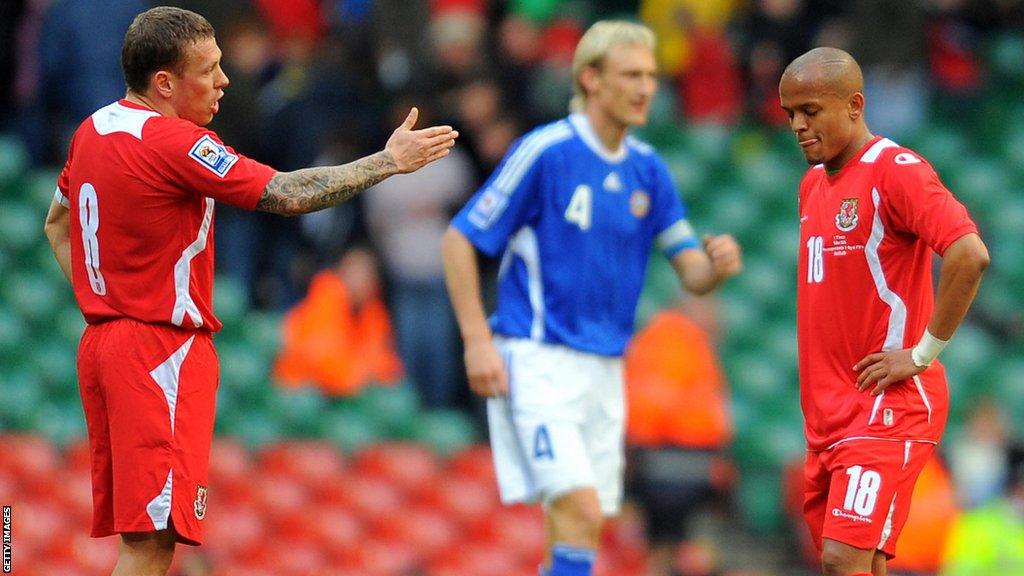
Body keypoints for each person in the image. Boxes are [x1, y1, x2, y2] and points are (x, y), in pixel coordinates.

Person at [41, 7, 457, 576]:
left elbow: (56, 224)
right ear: (165, 83)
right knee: (151, 543)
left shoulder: (94, 129)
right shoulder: (174, 143)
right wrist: (387, 162)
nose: (224, 81)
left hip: (107, 346)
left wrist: (106, 305)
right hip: (159, 353)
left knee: (145, 538)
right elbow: (287, 193)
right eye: (209, 70)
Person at [441, 20, 742, 576]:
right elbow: (461, 239)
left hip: (606, 368)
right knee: (578, 505)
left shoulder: (648, 169)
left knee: (576, 524)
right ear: (591, 79)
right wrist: (476, 341)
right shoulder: (547, 151)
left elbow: (691, 271)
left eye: (651, 76)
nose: (646, 87)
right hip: (538, 358)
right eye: (631, 74)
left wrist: (715, 267)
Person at [779, 47, 989, 576]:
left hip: (883, 406)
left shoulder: (897, 170)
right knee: (862, 562)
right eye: (790, 115)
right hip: (827, 416)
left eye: (810, 110)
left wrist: (922, 354)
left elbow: (969, 252)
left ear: (854, 105)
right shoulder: (811, 187)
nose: (799, 126)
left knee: (841, 560)